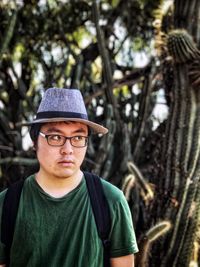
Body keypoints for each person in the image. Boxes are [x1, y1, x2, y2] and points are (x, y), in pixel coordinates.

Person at [0, 88, 138, 267]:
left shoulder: (110, 200)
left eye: (78, 137)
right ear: (35, 142)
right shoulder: (7, 204)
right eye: (56, 137)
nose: (68, 149)